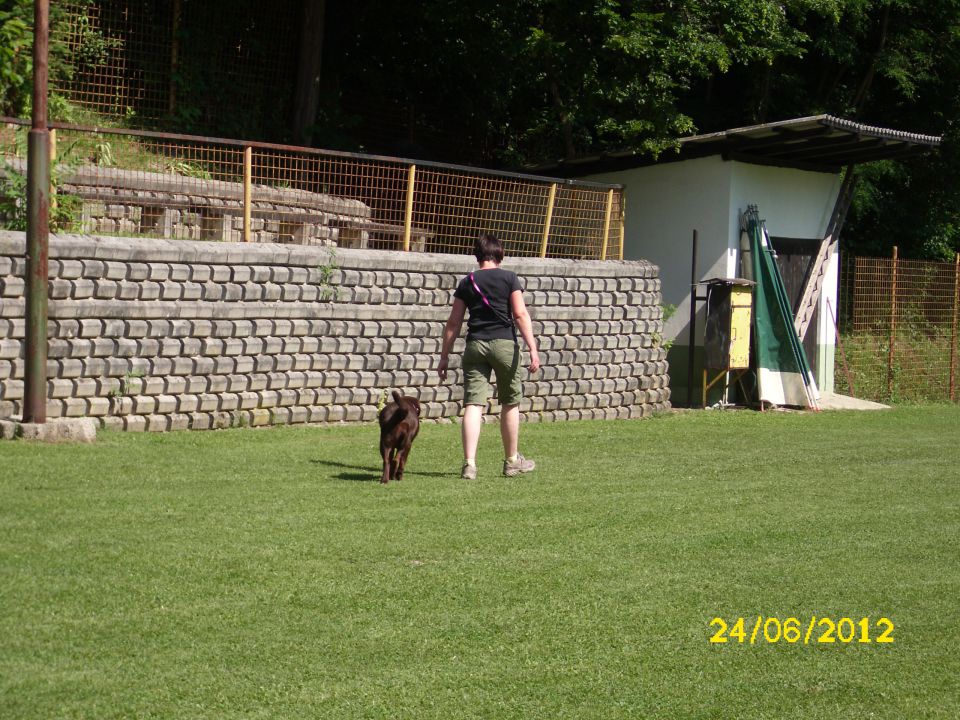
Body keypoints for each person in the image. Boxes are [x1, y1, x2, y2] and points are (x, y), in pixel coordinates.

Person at [438, 234, 541, 479]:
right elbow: (520, 314)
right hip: (505, 344)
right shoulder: (509, 278)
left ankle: (469, 464)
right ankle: (511, 461)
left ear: (478, 255)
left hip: (476, 345)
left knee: (473, 404)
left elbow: (453, 323)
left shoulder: (468, 282)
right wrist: (533, 348)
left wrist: (444, 356)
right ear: (499, 254)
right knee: (510, 402)